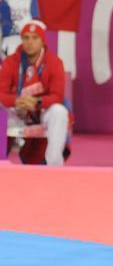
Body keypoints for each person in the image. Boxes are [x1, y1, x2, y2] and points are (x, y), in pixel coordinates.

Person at [0, 20, 69, 166]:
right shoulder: (11, 61)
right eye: (26, 37)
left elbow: (58, 95)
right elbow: (1, 92)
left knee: (60, 111)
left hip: (41, 111)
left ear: (42, 41)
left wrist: (37, 102)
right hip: (17, 111)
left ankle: (54, 164)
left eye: (34, 38)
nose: (29, 42)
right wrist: (16, 101)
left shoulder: (54, 62)